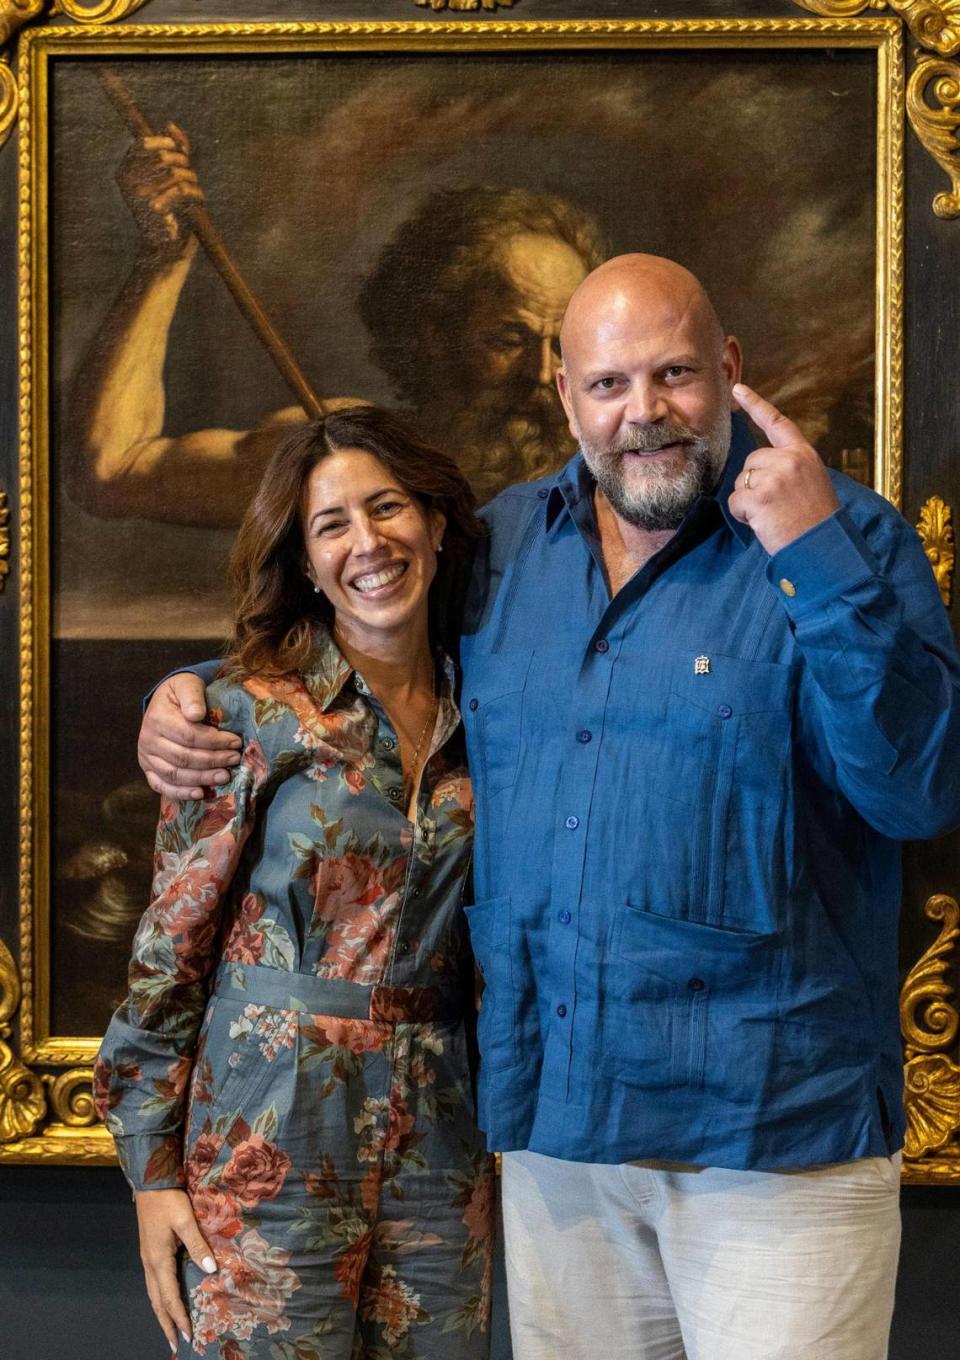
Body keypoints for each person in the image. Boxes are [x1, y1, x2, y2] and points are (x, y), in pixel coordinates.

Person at [136, 255, 960, 1359]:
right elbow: (365, 631)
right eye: (610, 383)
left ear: (728, 369)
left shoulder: (842, 535)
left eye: (673, 374)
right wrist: (191, 697)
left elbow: (918, 789)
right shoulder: (508, 546)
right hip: (558, 1148)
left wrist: (811, 548)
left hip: (773, 1146)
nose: (644, 412)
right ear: (563, 391)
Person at [94, 406, 494, 1360]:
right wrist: (151, 1176)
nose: (369, 542)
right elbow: (168, 953)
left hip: (442, 1138)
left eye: (387, 507)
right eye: (332, 524)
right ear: (307, 563)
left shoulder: (493, 707)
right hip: (266, 1131)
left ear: (434, 522)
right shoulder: (240, 716)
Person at [66, 119, 605, 523]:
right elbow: (114, 472)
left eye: (562, 342)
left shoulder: (622, 460)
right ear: (436, 336)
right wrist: (164, 258)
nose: (542, 374)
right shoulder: (349, 450)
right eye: (508, 338)